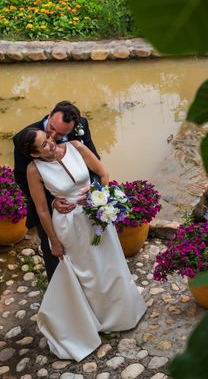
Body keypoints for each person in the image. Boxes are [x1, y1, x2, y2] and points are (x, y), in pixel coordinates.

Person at [18, 128, 146, 361]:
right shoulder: (33, 170)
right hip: (68, 226)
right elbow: (42, 209)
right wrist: (54, 241)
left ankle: (121, 315)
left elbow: (103, 173)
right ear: (34, 155)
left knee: (109, 264)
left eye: (49, 138)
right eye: (44, 145)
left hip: (95, 216)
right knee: (87, 273)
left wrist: (100, 194)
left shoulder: (76, 147)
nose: (52, 143)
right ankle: (93, 321)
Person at [13, 101, 99, 282]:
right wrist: (52, 199)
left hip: (85, 204)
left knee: (93, 251)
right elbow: (22, 179)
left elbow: (95, 161)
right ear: (50, 115)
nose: (54, 137)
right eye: (51, 129)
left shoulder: (81, 126)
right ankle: (64, 294)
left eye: (61, 134)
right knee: (56, 256)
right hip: (52, 208)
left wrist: (94, 190)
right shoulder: (26, 137)